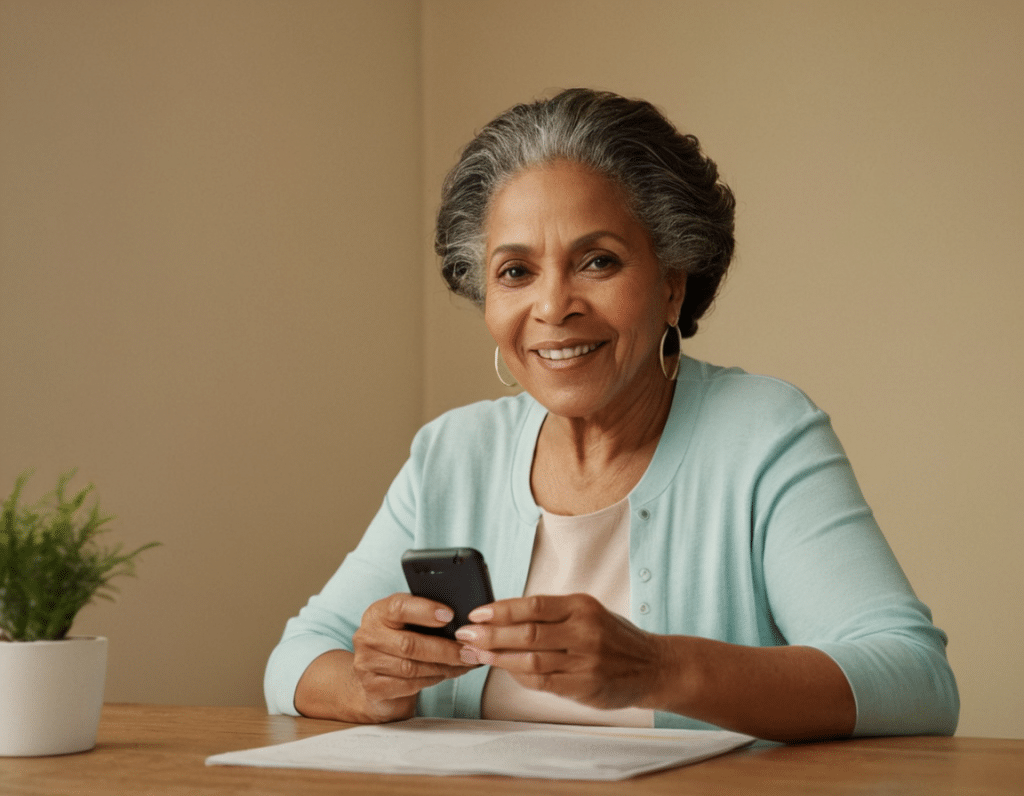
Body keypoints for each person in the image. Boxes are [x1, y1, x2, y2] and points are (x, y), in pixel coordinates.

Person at [264, 88, 959, 742]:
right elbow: (293, 659)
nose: (553, 305)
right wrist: (372, 685)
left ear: (672, 286)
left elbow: (917, 682)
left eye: (597, 261)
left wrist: (660, 669)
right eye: (515, 272)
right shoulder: (453, 452)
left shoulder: (763, 434)